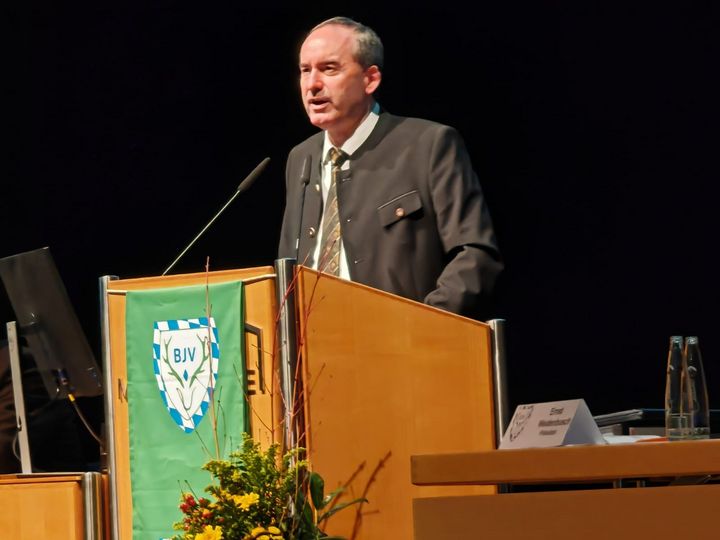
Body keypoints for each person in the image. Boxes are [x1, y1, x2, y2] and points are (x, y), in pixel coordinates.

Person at [278, 16, 502, 319]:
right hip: (314, 352)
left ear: (371, 79)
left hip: (402, 348)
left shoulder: (429, 145)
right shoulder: (300, 158)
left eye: (329, 69)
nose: (313, 84)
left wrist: (421, 326)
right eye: (305, 70)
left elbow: (475, 255)